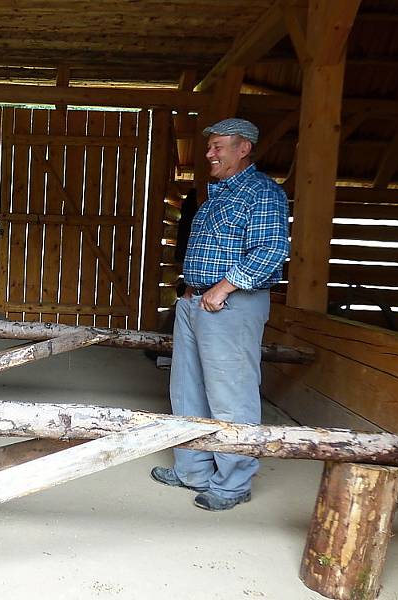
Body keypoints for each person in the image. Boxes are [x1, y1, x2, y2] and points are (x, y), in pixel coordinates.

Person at [149, 118, 289, 511]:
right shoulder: (217, 195)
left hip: (229, 304)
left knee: (231, 395)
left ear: (243, 149)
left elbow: (270, 251)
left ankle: (232, 483)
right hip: (196, 303)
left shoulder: (262, 194)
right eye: (209, 147)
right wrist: (192, 293)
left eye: (218, 147)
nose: (209, 154)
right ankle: (192, 469)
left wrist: (222, 288)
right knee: (188, 388)